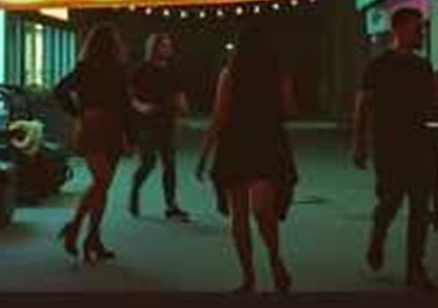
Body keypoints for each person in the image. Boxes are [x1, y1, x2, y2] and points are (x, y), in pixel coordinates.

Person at [196, 25, 297, 293]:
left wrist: (204, 155)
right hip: (262, 142)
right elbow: (289, 111)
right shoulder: (275, 73)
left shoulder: (230, 73)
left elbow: (218, 117)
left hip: (240, 143)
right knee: (257, 210)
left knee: (243, 214)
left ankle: (260, 270)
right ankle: (262, 268)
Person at [352, 7, 438, 292]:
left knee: (420, 208)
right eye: (417, 29)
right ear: (399, 30)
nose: (421, 33)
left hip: (420, 144)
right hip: (390, 146)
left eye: (422, 28)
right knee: (390, 201)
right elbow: (362, 105)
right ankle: (378, 235)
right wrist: (359, 143)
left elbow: (431, 105)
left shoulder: (423, 67)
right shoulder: (379, 66)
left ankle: (415, 269)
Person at [53, 23, 133, 263]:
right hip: (104, 127)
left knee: (102, 185)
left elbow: (60, 91)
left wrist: (79, 113)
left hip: (98, 125)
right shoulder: (107, 68)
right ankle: (76, 227)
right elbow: (125, 105)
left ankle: (93, 238)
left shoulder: (88, 68)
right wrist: (128, 134)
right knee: (102, 181)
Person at [129, 32, 190, 221]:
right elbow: (130, 96)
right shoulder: (141, 70)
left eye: (169, 45)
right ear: (154, 48)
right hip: (146, 123)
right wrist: (141, 107)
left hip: (167, 121)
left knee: (169, 164)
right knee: (148, 163)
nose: (169, 48)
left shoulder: (172, 71)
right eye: (164, 45)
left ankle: (171, 206)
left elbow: (179, 94)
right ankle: (135, 189)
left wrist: (183, 109)